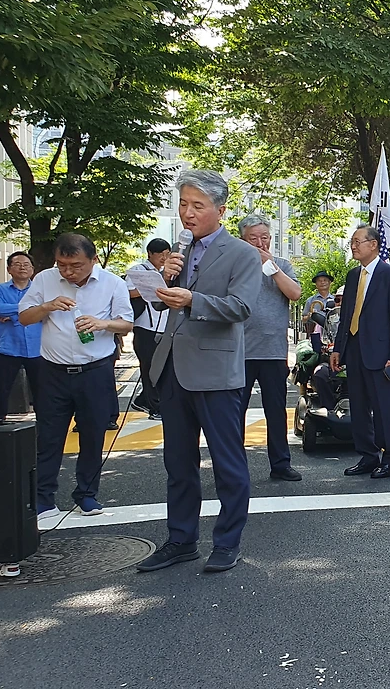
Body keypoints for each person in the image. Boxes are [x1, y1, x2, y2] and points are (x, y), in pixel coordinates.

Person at [136, 169, 260, 574]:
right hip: (173, 368)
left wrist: (192, 299)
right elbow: (162, 304)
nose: (187, 213)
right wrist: (164, 280)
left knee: (227, 463)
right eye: (183, 204)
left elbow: (241, 307)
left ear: (220, 210)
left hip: (216, 372)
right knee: (178, 463)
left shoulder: (242, 253)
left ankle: (226, 542)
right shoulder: (179, 251)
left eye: (197, 205)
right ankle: (181, 539)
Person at [18, 234, 132, 520]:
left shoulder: (112, 283)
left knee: (93, 435)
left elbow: (126, 324)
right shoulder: (45, 279)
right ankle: (43, 498)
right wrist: (47, 306)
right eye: (62, 265)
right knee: (49, 437)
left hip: (95, 371)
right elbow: (24, 317)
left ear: (93, 260)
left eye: (76, 265)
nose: (68, 271)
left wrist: (102, 323)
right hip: (52, 372)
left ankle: (87, 495)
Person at [331, 224, 390, 479]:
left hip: (381, 354)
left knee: (384, 409)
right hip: (354, 351)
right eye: (352, 242)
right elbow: (346, 316)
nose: (353, 246)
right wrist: (338, 349)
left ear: (373, 244)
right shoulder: (353, 276)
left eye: (358, 241)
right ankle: (367, 455)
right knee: (359, 406)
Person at [237, 215, 303, 482]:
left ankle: (281, 464)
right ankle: (234, 468)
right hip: (239, 352)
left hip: (273, 351)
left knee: (275, 411)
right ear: (242, 240)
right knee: (234, 413)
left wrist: (272, 268)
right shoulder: (235, 265)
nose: (260, 243)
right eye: (253, 238)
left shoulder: (282, 265)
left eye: (264, 237)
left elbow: (295, 293)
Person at [126, 238, 171, 419]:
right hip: (145, 327)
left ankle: (143, 400)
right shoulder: (139, 270)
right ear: (150, 254)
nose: (164, 258)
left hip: (164, 328)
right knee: (149, 368)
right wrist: (151, 288)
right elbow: (127, 293)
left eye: (167, 254)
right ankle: (155, 407)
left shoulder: (167, 273)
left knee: (162, 367)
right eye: (160, 254)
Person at [0, 251, 41, 423]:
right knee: (1, 387)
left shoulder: (40, 290)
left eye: (26, 264)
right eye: (17, 264)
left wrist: (13, 314)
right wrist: (29, 309)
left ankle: (44, 420)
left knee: (41, 389)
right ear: (9, 269)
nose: (22, 267)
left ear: (32, 269)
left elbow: (47, 312)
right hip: (8, 346)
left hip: (37, 348)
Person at [303, 271, 334, 343]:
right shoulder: (310, 300)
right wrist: (309, 316)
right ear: (316, 284)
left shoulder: (335, 300)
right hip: (315, 334)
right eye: (319, 281)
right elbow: (303, 319)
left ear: (329, 283)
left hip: (332, 333)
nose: (322, 282)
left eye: (325, 280)